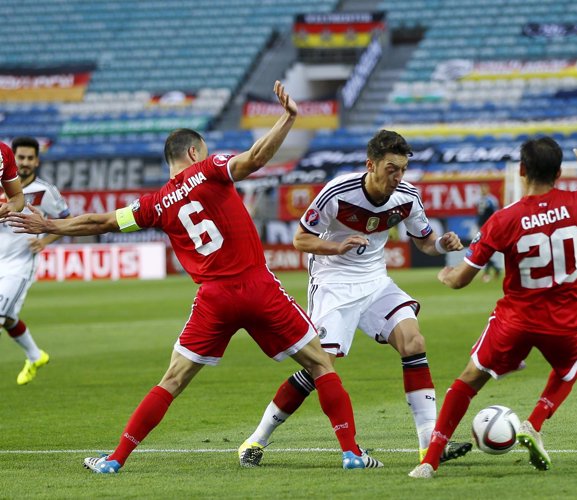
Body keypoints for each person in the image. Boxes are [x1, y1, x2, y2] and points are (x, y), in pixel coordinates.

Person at [6, 81, 381, 473]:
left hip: (214, 298)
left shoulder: (152, 205)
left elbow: (101, 221)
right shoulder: (210, 169)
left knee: (172, 380)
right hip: (257, 287)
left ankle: (114, 460)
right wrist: (287, 118)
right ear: (193, 152)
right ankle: (351, 452)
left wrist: (50, 224)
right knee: (320, 364)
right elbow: (253, 159)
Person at [237, 129, 473, 468]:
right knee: (321, 366)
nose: (398, 176)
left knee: (414, 342)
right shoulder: (338, 192)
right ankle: (256, 439)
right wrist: (337, 246)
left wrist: (441, 245)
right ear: (371, 164)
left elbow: (424, 240)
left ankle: (428, 446)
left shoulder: (406, 196)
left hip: (375, 281)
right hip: (333, 282)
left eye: (403, 169)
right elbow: (301, 240)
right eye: (392, 168)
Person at [408, 139, 577, 479]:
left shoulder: (504, 220)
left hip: (515, 321)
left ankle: (429, 461)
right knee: (571, 364)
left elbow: (460, 280)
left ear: (521, 170)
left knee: (468, 381)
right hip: (565, 324)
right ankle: (534, 423)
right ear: (559, 173)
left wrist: (446, 275)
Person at [0, 137, 70, 384]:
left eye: (30, 158)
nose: (25, 163)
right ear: (13, 159)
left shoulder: (46, 191)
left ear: (37, 161)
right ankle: (34, 354)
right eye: (21, 158)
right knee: (7, 318)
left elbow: (65, 221)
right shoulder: (4, 184)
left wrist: (44, 241)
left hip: (19, 264)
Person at [475, 182, 501, 282]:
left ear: (488, 189)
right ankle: (495, 268)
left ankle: (487, 273)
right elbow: (478, 214)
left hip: (489, 228)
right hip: (481, 228)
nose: (482, 190)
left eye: (484, 188)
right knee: (483, 250)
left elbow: (496, 214)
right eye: (481, 188)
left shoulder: (492, 200)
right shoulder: (478, 200)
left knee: (483, 249)